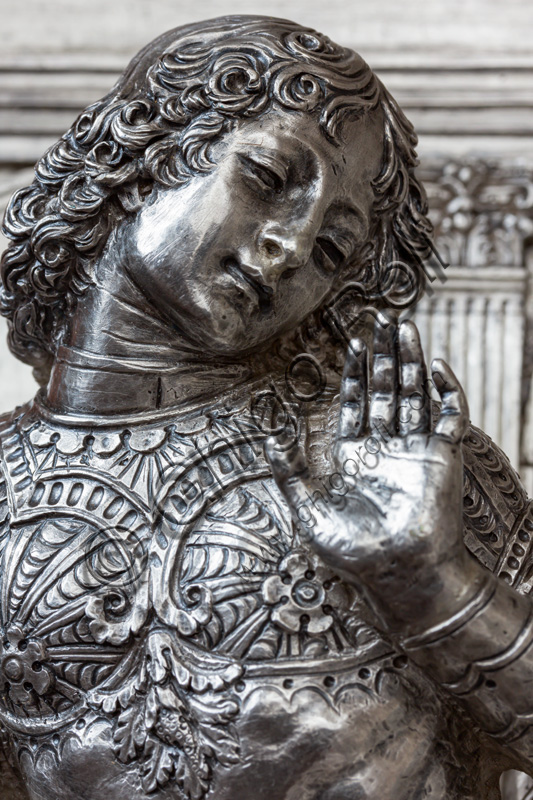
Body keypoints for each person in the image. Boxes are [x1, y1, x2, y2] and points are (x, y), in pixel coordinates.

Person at [0, 15, 530, 800]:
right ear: (147, 154)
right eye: (269, 180)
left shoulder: (384, 458)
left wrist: (434, 579)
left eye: (329, 251)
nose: (289, 248)